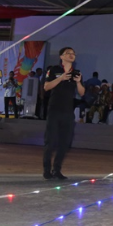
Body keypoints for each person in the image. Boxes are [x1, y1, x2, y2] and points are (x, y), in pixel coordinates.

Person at [42, 47, 84, 179]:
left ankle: (57, 169)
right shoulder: (54, 70)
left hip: (68, 111)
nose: (71, 55)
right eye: (68, 53)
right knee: (50, 141)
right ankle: (47, 170)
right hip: (54, 110)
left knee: (64, 142)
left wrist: (78, 83)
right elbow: (46, 87)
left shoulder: (76, 73)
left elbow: (82, 93)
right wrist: (61, 78)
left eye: (73, 53)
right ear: (61, 56)